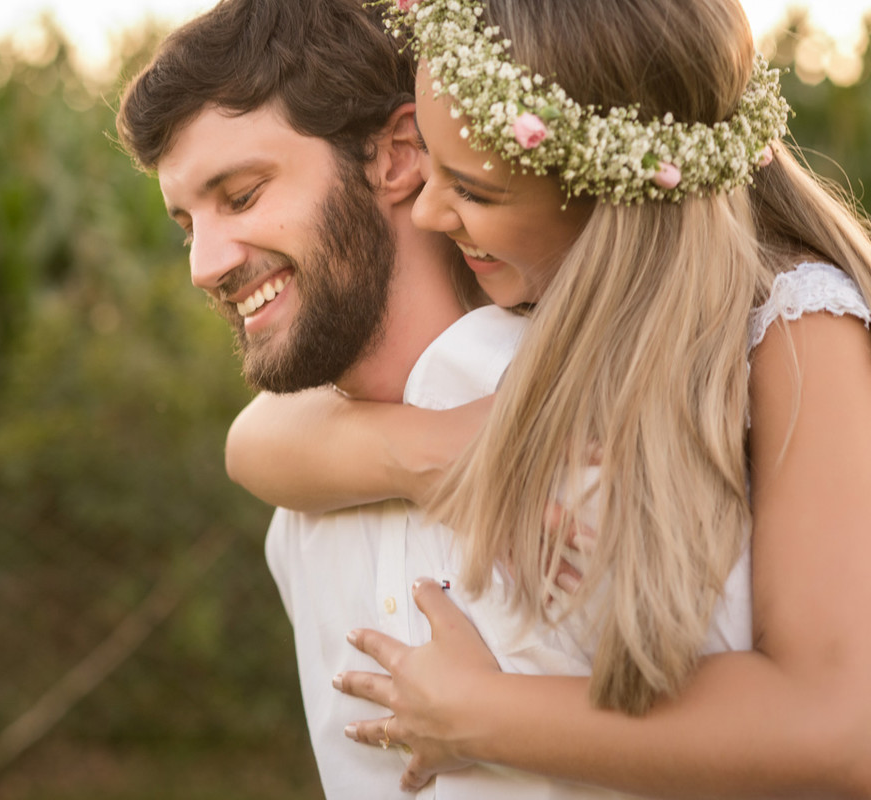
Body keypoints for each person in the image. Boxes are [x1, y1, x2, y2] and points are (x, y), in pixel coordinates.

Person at [227, 0, 871, 796]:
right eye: (429, 161)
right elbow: (258, 437)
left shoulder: (797, 327)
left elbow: (836, 728)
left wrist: (477, 712)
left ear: (607, 190)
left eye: (473, 189)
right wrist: (462, 452)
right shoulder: (528, 265)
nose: (428, 211)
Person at [116, 0, 678, 797]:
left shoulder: (611, 422)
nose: (204, 265)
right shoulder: (301, 511)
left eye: (240, 196)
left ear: (397, 156)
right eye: (186, 224)